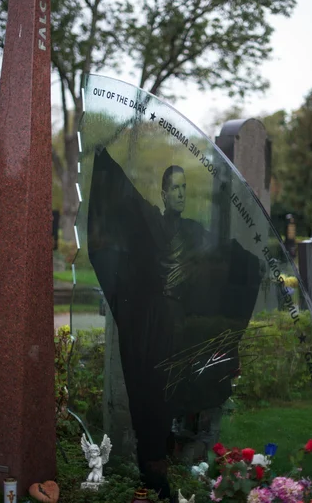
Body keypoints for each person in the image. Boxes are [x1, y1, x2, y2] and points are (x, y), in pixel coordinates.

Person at [87, 147, 262, 499]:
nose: (182, 194)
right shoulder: (150, 226)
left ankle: (177, 465)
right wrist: (105, 166)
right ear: (164, 194)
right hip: (154, 329)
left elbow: (221, 260)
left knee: (178, 395)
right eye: (175, 188)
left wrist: (251, 264)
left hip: (183, 330)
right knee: (151, 400)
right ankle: (153, 473)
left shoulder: (196, 233)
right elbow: (126, 229)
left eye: (185, 188)